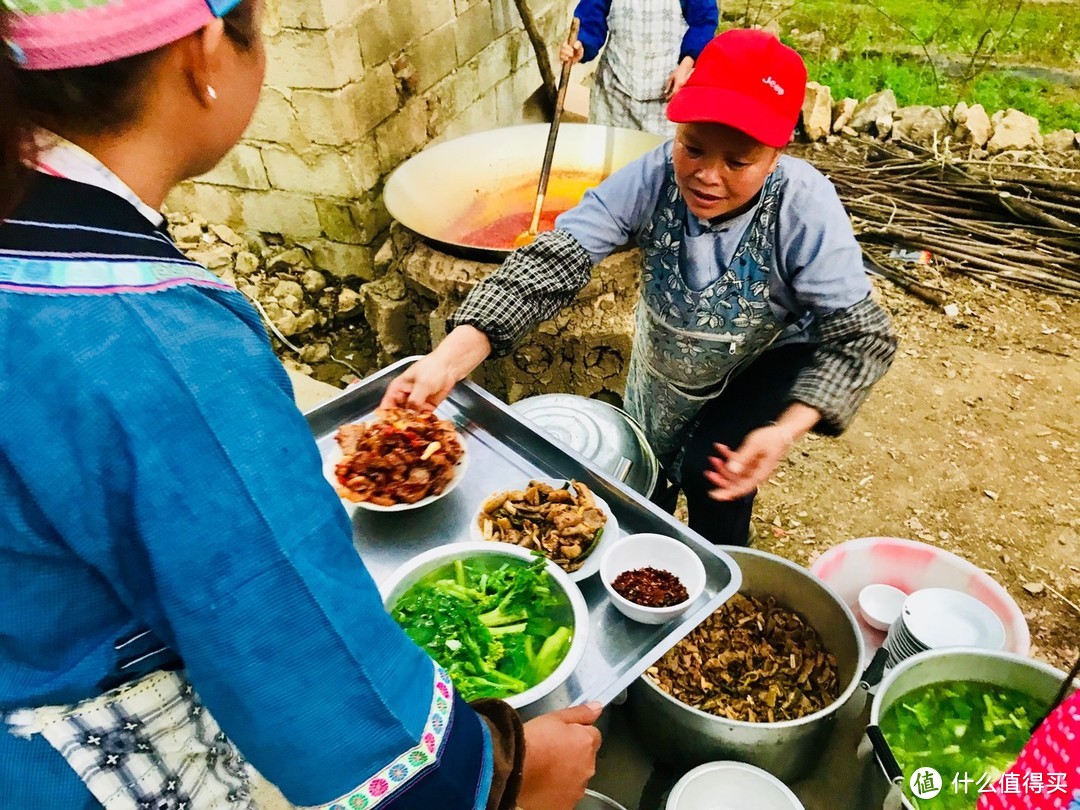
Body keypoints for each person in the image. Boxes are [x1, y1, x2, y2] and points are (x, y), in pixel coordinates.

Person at [0, 2, 601, 808]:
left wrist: (457, 348)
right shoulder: (155, 346)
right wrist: (503, 773)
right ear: (203, 52)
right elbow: (306, 658)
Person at [382, 29, 898, 547]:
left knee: (712, 471)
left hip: (760, 359)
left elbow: (862, 337)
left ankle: (719, 575)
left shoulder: (803, 207)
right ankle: (652, 553)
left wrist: (785, 429)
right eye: (692, 148)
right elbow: (552, 260)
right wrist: (447, 361)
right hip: (667, 357)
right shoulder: (654, 175)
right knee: (645, 470)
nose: (707, 177)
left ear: (774, 154)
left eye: (738, 162)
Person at [559, 0, 719, 137]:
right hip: (615, 94)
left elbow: (704, 21)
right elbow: (591, 19)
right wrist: (581, 47)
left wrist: (686, 65)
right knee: (610, 165)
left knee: (659, 165)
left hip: (665, 99)